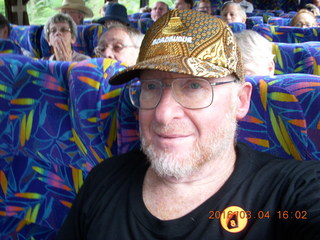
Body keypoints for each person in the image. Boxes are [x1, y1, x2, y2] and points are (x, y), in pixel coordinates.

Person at [57, 9, 320, 240]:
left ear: (240, 100)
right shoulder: (103, 180)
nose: (162, 114)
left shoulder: (295, 191)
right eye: (150, 86)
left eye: (194, 86)